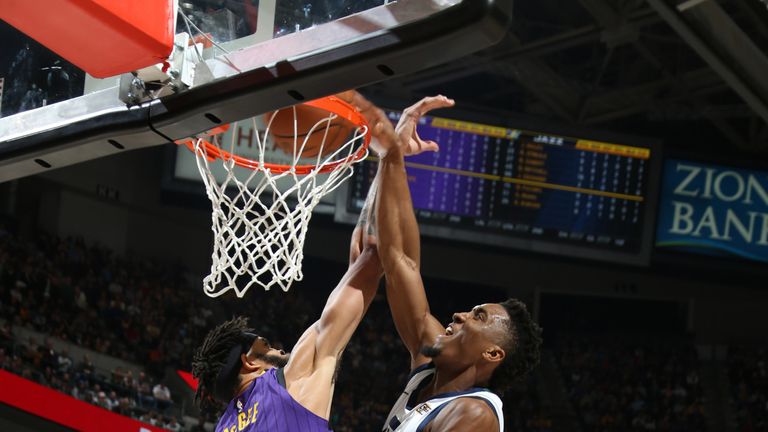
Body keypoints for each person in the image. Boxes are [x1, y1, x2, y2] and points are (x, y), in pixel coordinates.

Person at [339, 91, 544, 431]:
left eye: (477, 316)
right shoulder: (427, 367)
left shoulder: (475, 415)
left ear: (493, 354)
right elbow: (395, 256)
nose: (459, 314)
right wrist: (392, 157)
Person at [191, 178, 384, 431]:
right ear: (250, 362)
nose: (280, 350)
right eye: (267, 346)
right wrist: (387, 161)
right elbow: (373, 255)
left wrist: (355, 272)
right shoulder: (291, 379)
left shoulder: (223, 427)